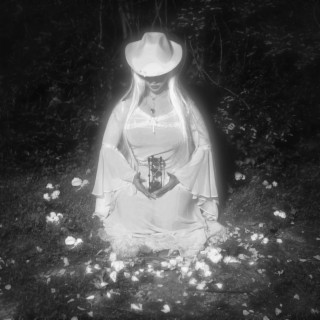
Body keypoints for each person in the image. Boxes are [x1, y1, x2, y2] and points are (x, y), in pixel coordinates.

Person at [92, 32, 226, 258]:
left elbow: (204, 147)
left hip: (176, 181)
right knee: (131, 206)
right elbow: (107, 147)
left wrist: (178, 179)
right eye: (147, 74)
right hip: (138, 180)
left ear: (171, 71)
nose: (154, 80)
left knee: (172, 212)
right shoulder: (125, 107)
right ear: (137, 73)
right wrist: (131, 177)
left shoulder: (185, 107)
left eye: (160, 74)